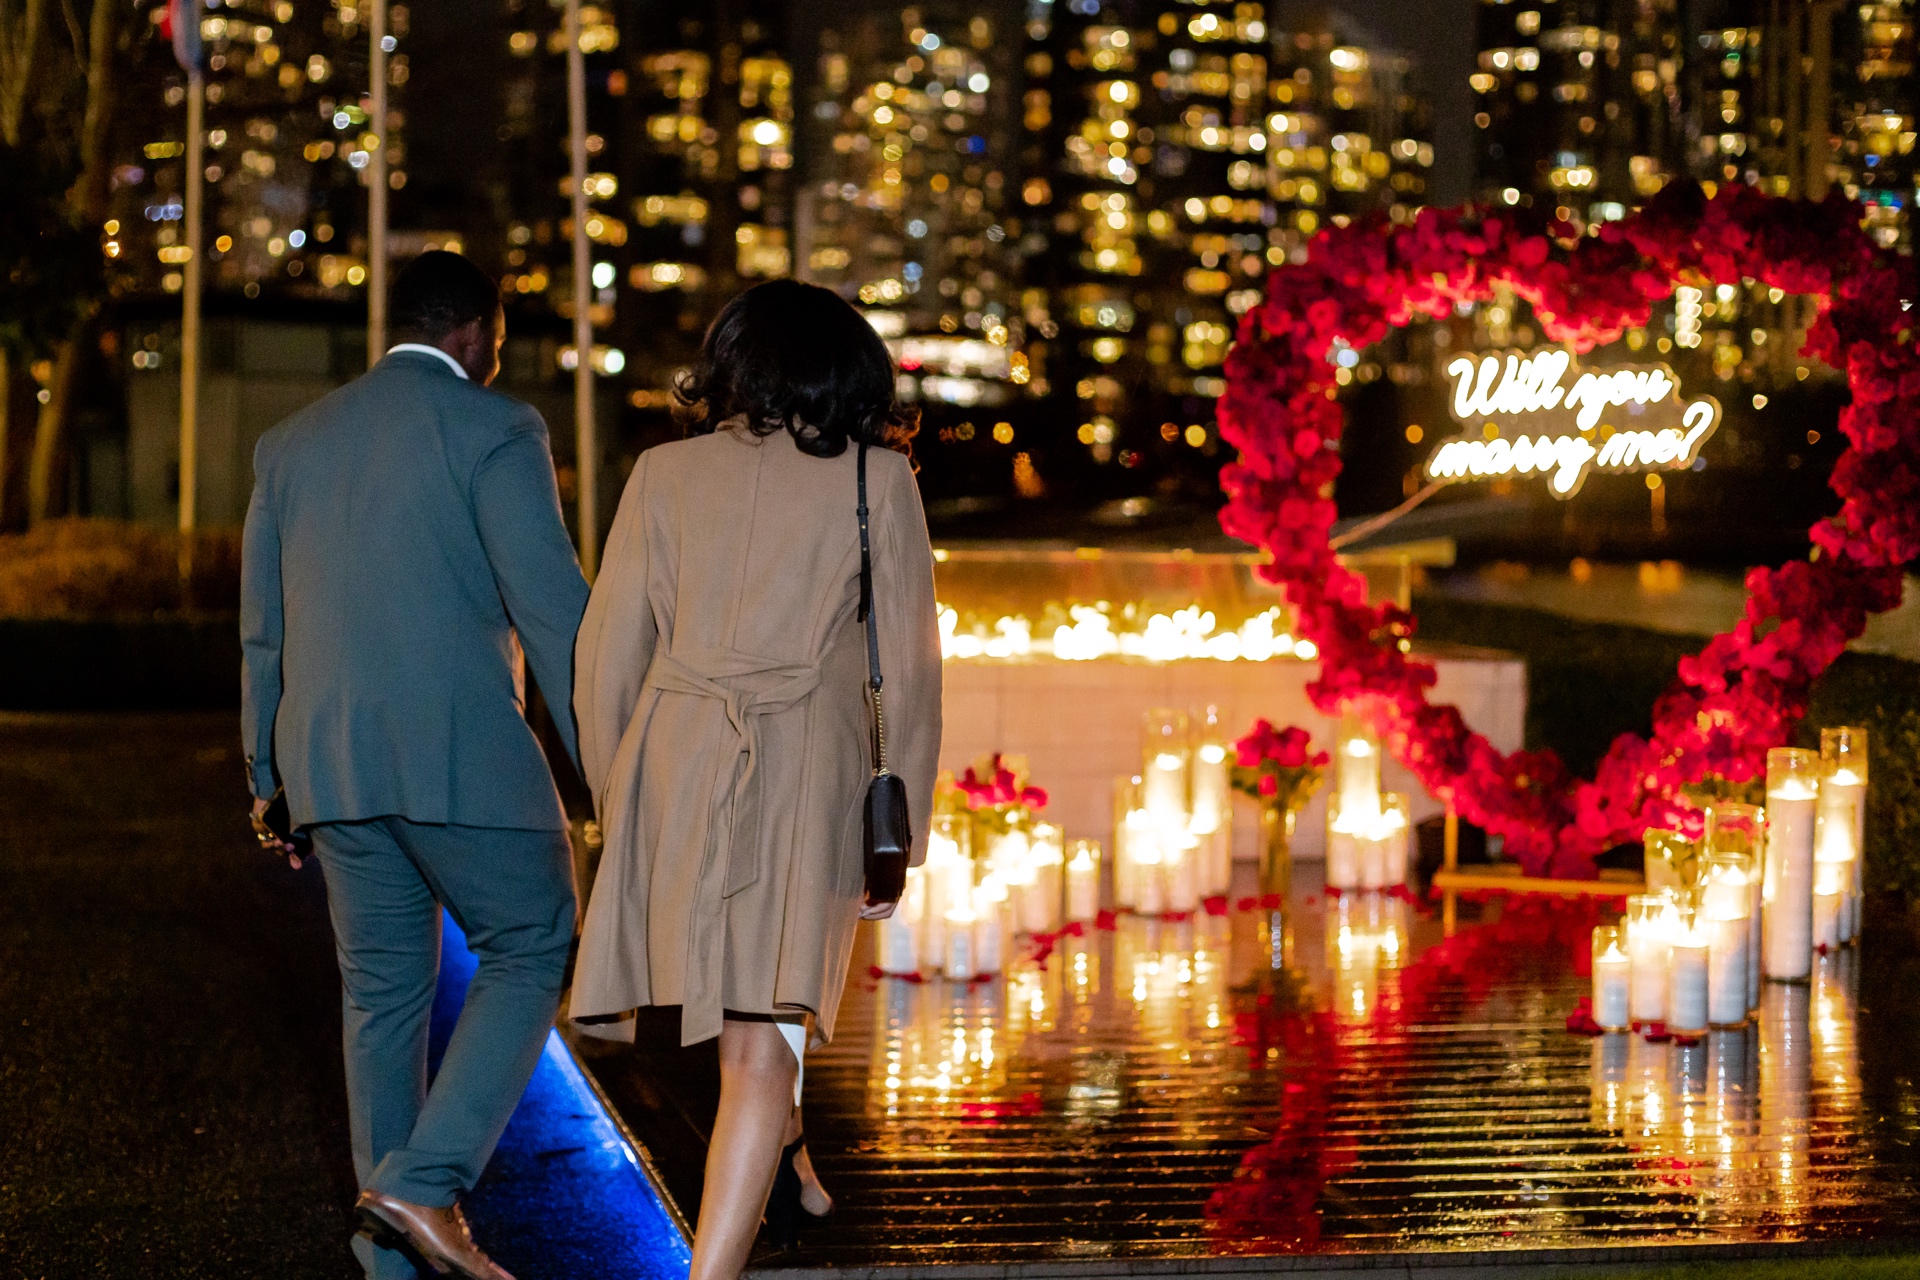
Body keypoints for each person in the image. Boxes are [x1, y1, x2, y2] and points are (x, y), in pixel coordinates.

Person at [569, 279, 943, 1279]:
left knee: (754, 1005)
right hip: (800, 778)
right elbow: (905, 674)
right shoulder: (878, 480)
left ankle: (792, 1160)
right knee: (760, 1039)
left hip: (674, 759)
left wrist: (626, 800)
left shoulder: (661, 473)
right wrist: (899, 832)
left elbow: (605, 656)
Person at [241, 250, 590, 1280]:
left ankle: (388, 1260)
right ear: (480, 333)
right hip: (463, 756)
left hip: (328, 765)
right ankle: (427, 1179)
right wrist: (607, 768)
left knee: (383, 997)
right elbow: (556, 616)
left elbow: (263, 631)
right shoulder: (498, 427)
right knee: (533, 940)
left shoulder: (289, 443)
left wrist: (268, 778)